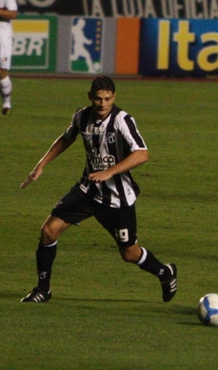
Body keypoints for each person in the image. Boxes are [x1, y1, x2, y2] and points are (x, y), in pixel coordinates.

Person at [20, 76, 177, 303]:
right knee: (48, 231)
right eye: (98, 99)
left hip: (117, 198)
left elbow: (142, 153)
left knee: (129, 253)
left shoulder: (122, 120)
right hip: (88, 190)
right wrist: (42, 164)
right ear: (89, 97)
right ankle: (43, 289)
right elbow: (67, 138)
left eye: (107, 99)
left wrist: (110, 171)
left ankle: (165, 273)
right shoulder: (81, 116)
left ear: (114, 97)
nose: (102, 104)